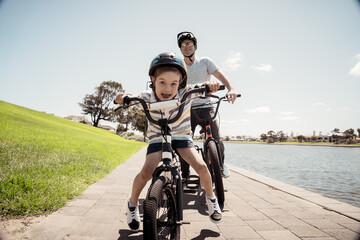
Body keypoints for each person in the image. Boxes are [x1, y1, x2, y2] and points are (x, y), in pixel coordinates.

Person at [114, 52, 222, 231]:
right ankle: (132, 205)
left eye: (174, 84)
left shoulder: (187, 93)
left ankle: (211, 199)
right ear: (153, 80)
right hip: (157, 137)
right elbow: (128, 99)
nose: (167, 89)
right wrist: (122, 98)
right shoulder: (146, 97)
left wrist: (210, 85)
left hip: (181, 136)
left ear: (180, 83)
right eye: (162, 82)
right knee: (146, 172)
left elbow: (203, 86)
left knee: (201, 167)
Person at [177, 31, 238, 180]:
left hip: (206, 106)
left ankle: (221, 164)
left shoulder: (205, 62)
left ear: (195, 46)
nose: (187, 46)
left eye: (189, 43)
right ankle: (185, 174)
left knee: (216, 138)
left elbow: (221, 76)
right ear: (180, 48)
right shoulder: (179, 65)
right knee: (184, 141)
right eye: (183, 44)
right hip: (187, 109)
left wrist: (231, 88)